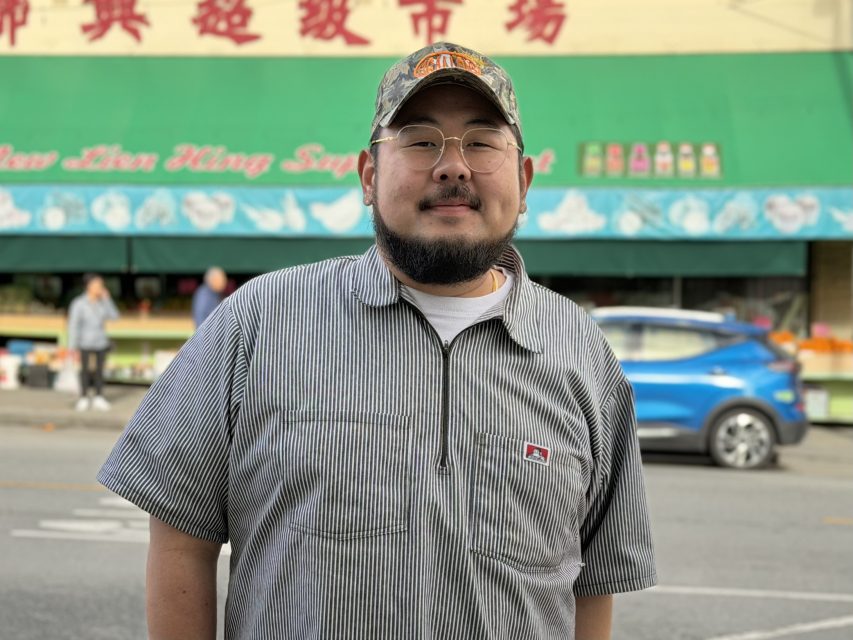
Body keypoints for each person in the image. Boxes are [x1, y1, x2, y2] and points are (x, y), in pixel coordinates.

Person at [99, 42, 656, 639]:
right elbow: (182, 540)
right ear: (369, 175)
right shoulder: (259, 322)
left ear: (523, 180)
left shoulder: (581, 353)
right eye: (419, 140)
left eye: (482, 142)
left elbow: (592, 585)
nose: (453, 167)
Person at [68, 273, 119, 411]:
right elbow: (73, 325)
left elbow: (115, 317)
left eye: (101, 285)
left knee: (100, 371)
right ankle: (84, 397)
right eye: (97, 285)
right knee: (84, 371)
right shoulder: (78, 303)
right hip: (84, 342)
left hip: (101, 341)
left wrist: (108, 300)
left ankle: (99, 397)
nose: (100, 288)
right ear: (88, 286)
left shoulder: (103, 303)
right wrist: (72, 346)